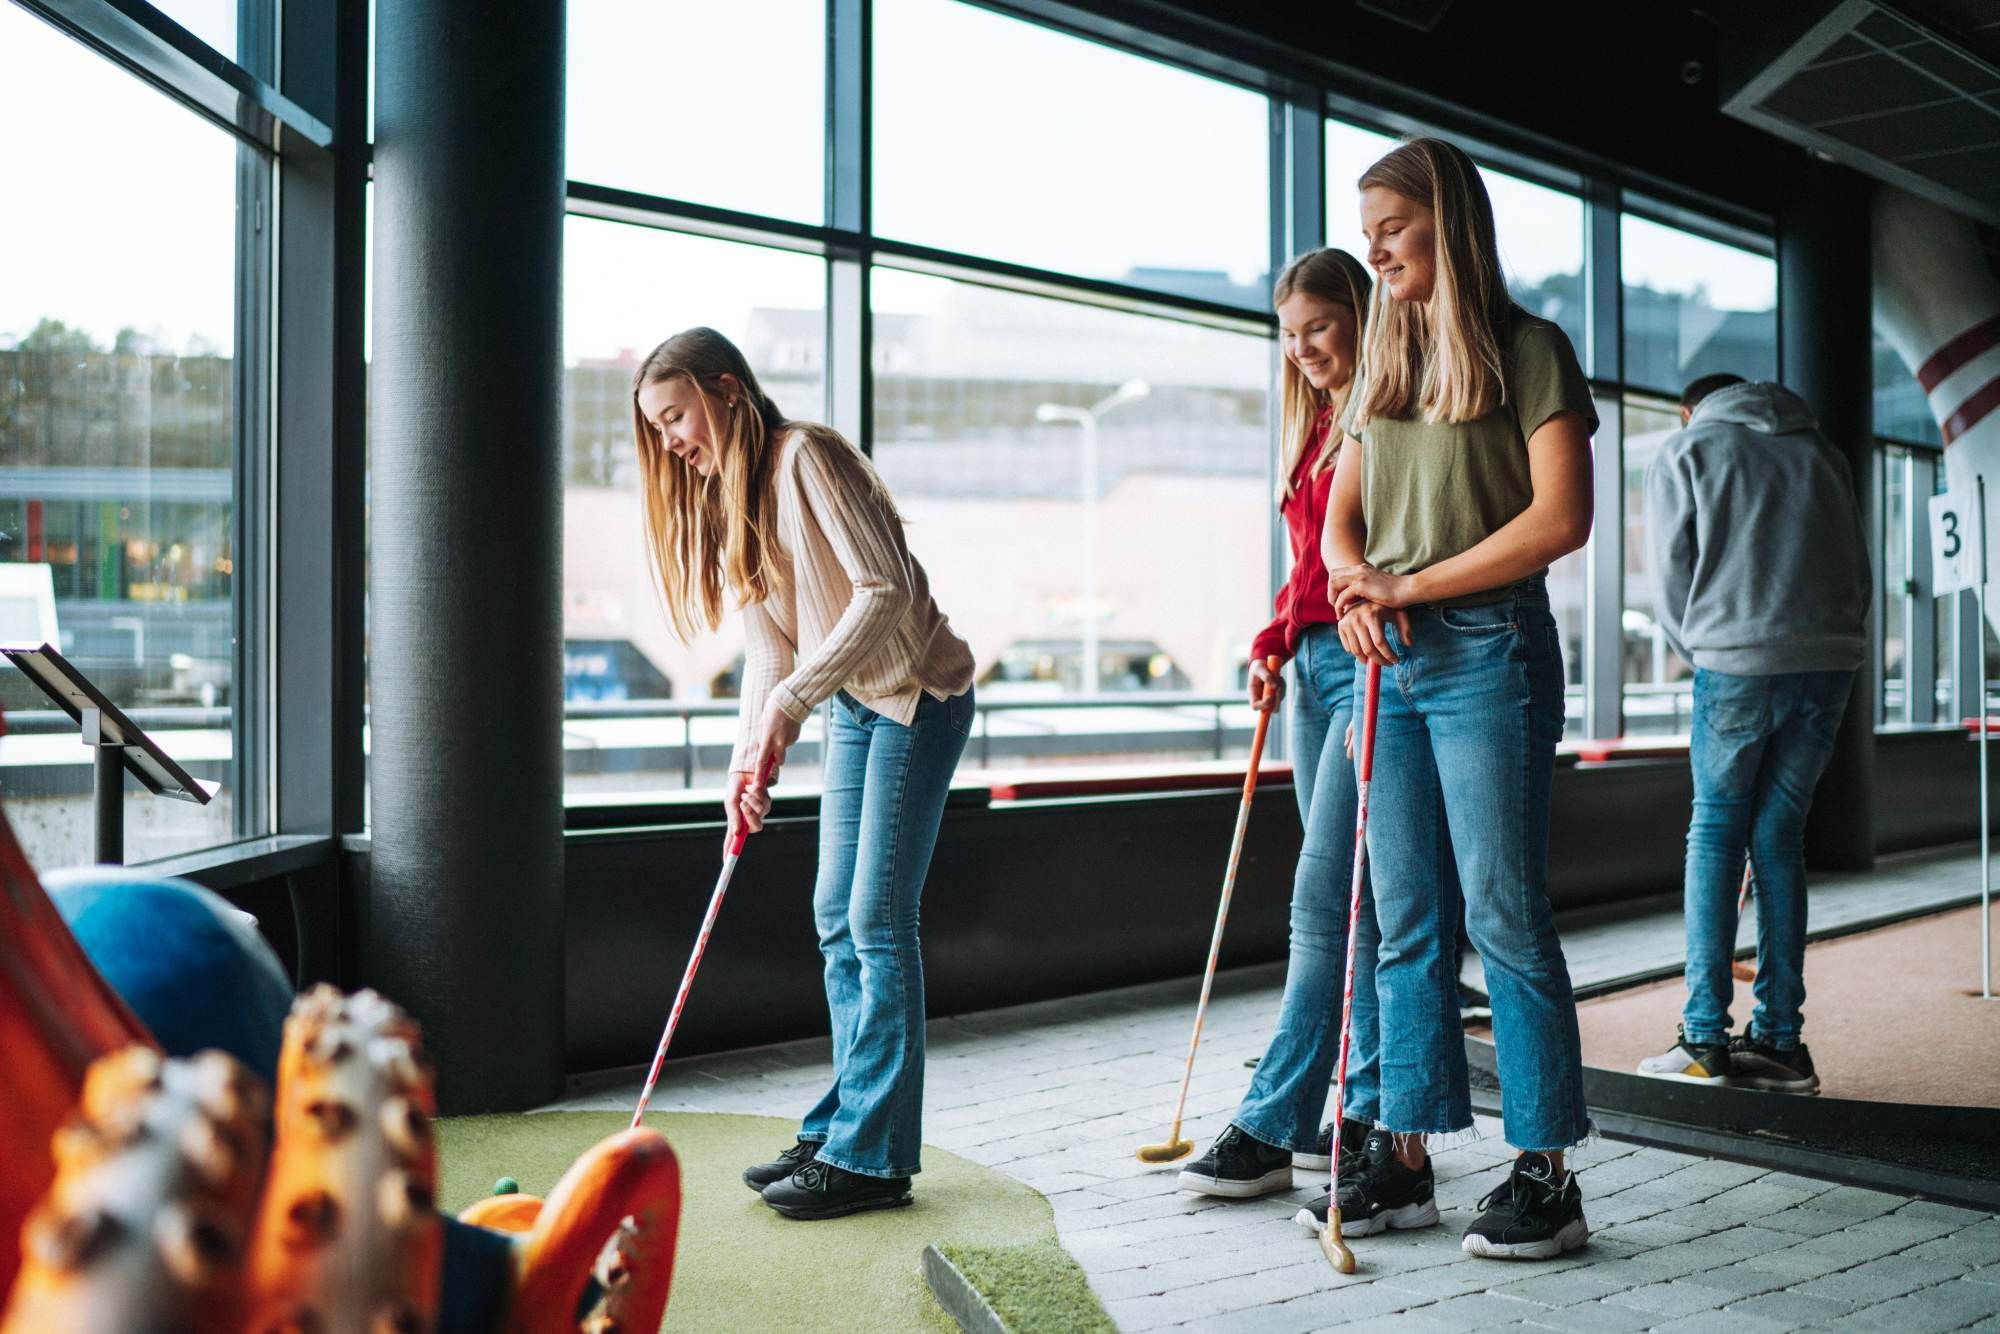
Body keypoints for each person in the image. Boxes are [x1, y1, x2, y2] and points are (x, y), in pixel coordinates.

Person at [1312, 136, 1597, 1261]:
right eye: (1367, 227)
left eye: (1392, 226)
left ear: (1449, 224)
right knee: (1405, 923)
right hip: (1392, 658)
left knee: (1503, 916)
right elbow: (1344, 512)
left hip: (1488, 652)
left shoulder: (1529, 350)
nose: (1372, 246)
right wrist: (1351, 587)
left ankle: (1545, 1175)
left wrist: (1407, 582)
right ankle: (1406, 1156)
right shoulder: (1383, 367)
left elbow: (1558, 520)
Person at [631, 327, 977, 1219]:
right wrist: (753, 753)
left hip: (915, 696)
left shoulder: (805, 457)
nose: (672, 440)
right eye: (659, 427)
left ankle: (873, 1157)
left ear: (726, 389)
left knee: (875, 918)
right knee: (834, 917)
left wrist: (792, 703)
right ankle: (840, 1126)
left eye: (677, 415)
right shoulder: (730, 495)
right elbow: (766, 648)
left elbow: (882, 589)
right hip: (858, 705)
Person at [1177, 248, 1390, 1205]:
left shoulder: (1386, 410)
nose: (1302, 348)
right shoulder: (1314, 424)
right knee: (1357, 902)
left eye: (1318, 327)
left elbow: (1381, 555)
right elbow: (1311, 561)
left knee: (1326, 900)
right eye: (1288, 333)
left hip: (1366, 668)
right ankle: (1351, 1114)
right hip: (1310, 669)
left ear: (1358, 315)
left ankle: (1275, 1122)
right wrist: (1273, 639)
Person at [1635, 374, 1868, 1095]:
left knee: (1716, 833)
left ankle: (1704, 1038)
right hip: (1830, 663)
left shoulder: (1689, 448)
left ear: (1690, 409)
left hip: (1736, 660)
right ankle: (1780, 1043)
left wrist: (1703, 646)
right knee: (1779, 839)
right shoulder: (1823, 454)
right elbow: (1859, 565)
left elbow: (1668, 577)